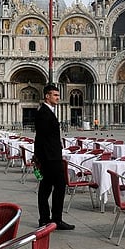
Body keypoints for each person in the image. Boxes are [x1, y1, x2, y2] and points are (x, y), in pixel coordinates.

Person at [34, 84, 74, 230]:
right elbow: (41, 138)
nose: (58, 98)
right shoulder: (44, 112)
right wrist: (40, 158)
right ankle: (55, 219)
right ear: (47, 96)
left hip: (50, 156)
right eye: (55, 95)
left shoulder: (46, 111)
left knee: (45, 188)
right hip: (50, 158)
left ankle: (45, 219)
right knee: (59, 186)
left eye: (58, 95)